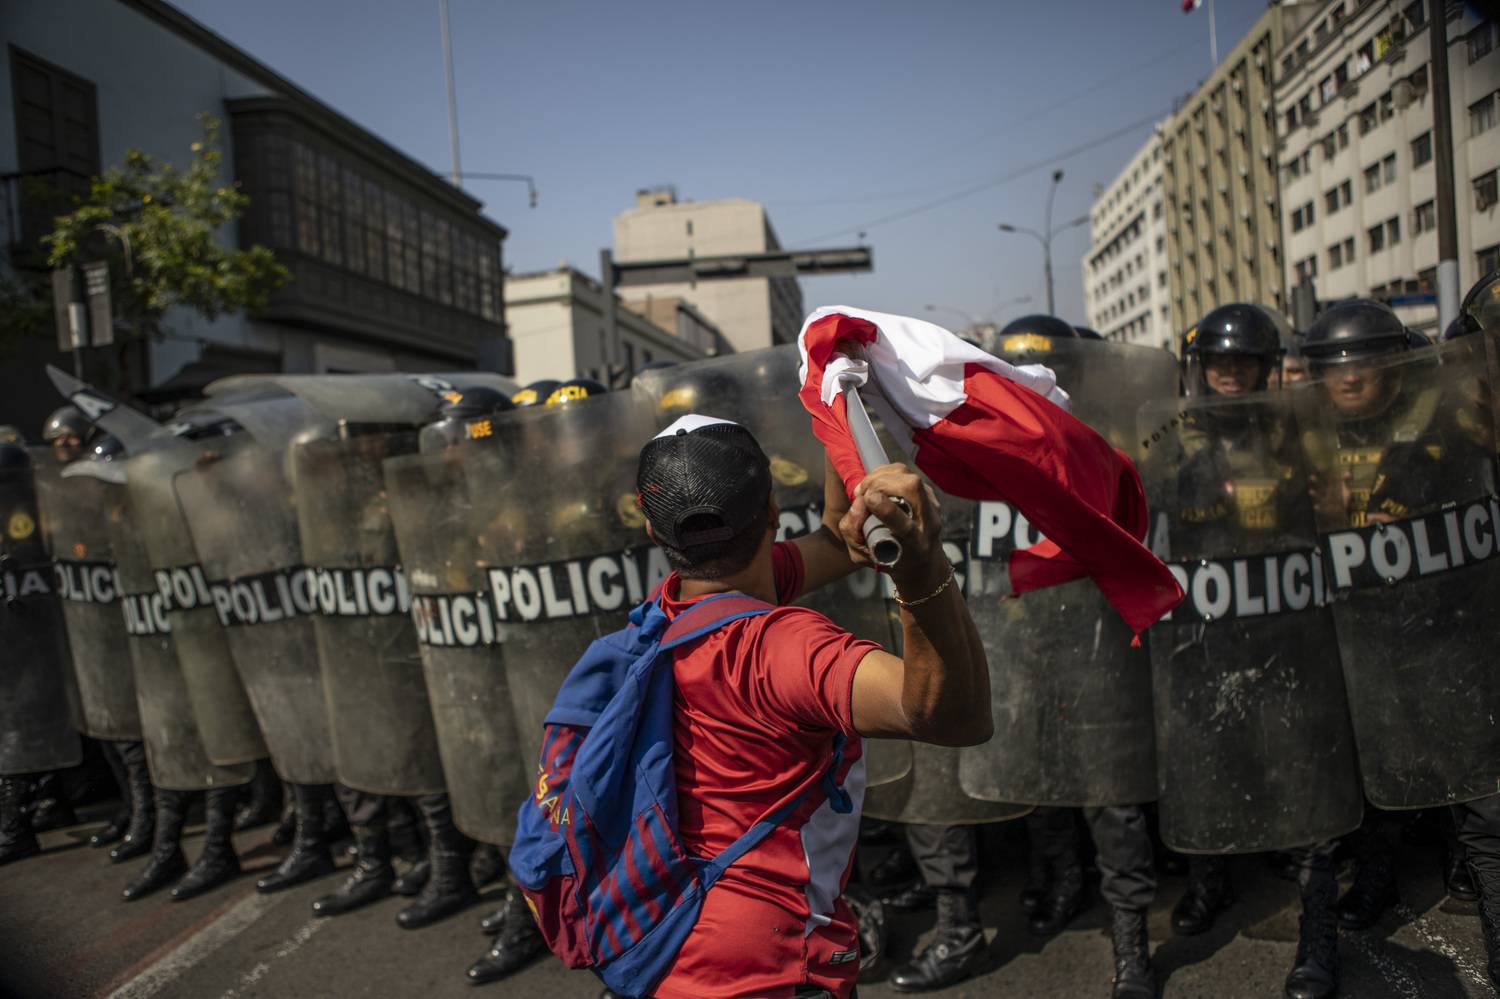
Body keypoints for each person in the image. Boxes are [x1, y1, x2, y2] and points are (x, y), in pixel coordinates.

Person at [621, 412, 991, 999]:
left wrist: (834, 407)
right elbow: (957, 716)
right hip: (773, 968)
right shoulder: (787, 651)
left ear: (653, 530)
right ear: (773, 510)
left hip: (672, 951)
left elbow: (838, 544)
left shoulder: (663, 613)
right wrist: (922, 569)